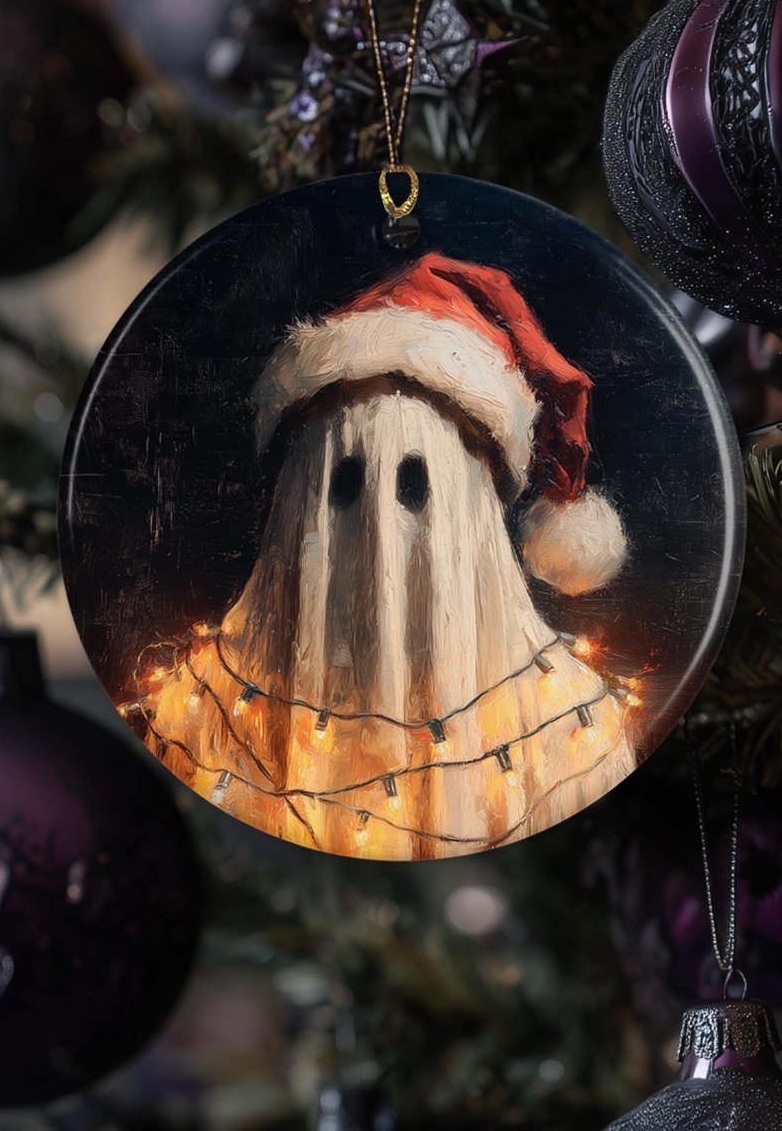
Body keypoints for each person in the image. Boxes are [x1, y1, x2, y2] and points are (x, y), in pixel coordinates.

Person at [127, 252, 638, 858]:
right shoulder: (204, 722)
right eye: (343, 483)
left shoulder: (571, 736)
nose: (379, 535)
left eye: (415, 486)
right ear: (297, 507)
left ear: (469, 518)